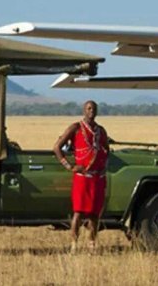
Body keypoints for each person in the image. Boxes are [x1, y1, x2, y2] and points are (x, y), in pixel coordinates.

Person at [53, 100, 111, 252]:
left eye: (94, 109)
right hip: (82, 177)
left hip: (97, 177)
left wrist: (104, 166)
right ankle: (74, 245)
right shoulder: (76, 127)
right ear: (84, 111)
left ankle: (92, 244)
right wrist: (69, 166)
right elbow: (57, 147)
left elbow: (107, 150)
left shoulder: (101, 131)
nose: (92, 111)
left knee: (95, 213)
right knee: (78, 212)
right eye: (89, 108)